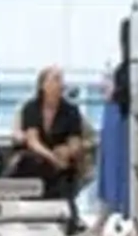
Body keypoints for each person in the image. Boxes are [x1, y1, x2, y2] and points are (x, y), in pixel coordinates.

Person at [6, 66, 95, 213]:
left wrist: (69, 151)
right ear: (43, 85)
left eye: (61, 80)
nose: (61, 84)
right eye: (56, 79)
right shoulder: (31, 107)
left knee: (65, 173)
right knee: (32, 164)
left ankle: (67, 216)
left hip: (61, 160)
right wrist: (52, 158)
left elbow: (75, 141)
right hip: (38, 156)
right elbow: (33, 141)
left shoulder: (70, 111)